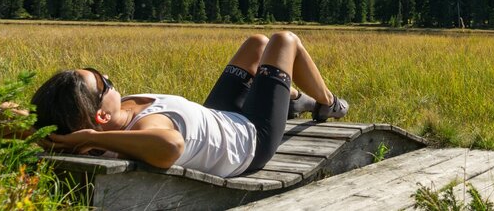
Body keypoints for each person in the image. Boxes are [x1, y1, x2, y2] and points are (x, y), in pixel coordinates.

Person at [21, 31, 348, 177]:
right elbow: (170, 145)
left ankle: (288, 96)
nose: (107, 75)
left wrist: (47, 129)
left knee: (256, 45)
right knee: (283, 41)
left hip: (220, 116)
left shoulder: (118, 113)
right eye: (102, 82)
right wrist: (89, 138)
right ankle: (327, 103)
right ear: (101, 115)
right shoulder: (147, 130)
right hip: (249, 139)